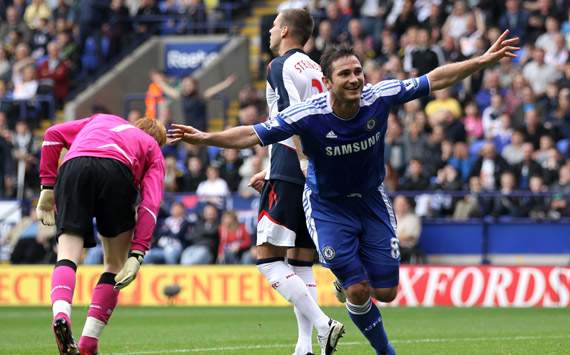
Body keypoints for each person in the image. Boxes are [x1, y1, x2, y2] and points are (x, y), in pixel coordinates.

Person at [168, 31, 519, 355]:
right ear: (329, 82)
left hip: (371, 202)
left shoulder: (378, 96)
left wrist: (482, 61)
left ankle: (348, 282)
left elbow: (436, 79)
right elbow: (253, 134)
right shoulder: (308, 114)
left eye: (357, 71)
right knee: (359, 290)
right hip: (327, 207)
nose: (354, 79)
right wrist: (205, 138)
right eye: (345, 74)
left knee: (387, 292)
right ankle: (383, 347)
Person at [246, 9, 344, 355]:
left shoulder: (280, 65)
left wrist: (292, 164)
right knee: (301, 261)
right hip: (310, 168)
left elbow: (292, 119)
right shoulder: (316, 67)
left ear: (285, 30)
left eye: (273, 26)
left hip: (292, 167)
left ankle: (323, 324)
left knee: (267, 258)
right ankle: (305, 347)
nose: (270, 31)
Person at [36, 114, 166, 355]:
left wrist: (47, 185)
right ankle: (88, 341)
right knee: (115, 265)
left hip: (74, 166)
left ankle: (61, 313)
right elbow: (150, 205)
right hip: (119, 172)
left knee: (67, 255)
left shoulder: (102, 119)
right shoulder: (152, 149)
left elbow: (52, 134)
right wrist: (138, 252)